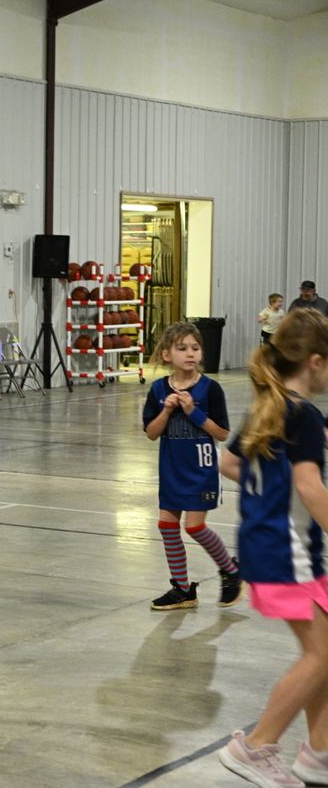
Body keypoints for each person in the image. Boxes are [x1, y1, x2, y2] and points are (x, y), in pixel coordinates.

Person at [216, 309, 328, 787]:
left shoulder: (271, 406)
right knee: (321, 655)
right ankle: (255, 746)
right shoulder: (304, 414)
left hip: (268, 545)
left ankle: (319, 754)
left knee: (322, 652)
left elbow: (228, 463)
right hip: (288, 551)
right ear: (316, 362)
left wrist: (269, 493)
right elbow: (309, 486)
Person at [142, 321, 240, 611]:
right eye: (182, 348)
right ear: (167, 355)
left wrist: (192, 412)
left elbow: (222, 433)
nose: (190, 353)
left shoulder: (210, 389)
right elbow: (151, 433)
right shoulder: (158, 389)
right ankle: (183, 589)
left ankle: (231, 571)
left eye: (195, 348)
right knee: (167, 525)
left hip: (201, 471)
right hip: (172, 470)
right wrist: (167, 410)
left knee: (195, 526)